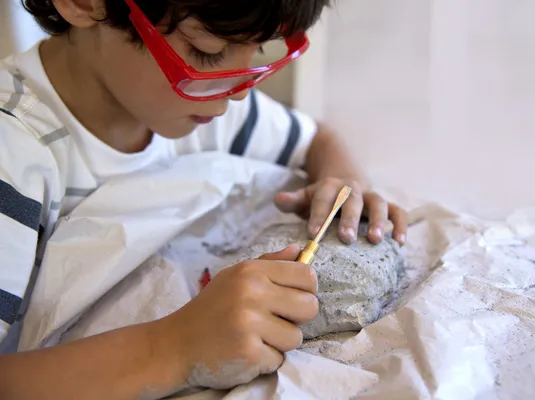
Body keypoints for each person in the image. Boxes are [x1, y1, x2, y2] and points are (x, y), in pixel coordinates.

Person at [0, 0, 407, 397]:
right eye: (207, 52)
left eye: (260, 49)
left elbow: (317, 139)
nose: (238, 94)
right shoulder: (14, 153)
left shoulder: (202, 109)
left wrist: (342, 182)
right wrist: (175, 347)